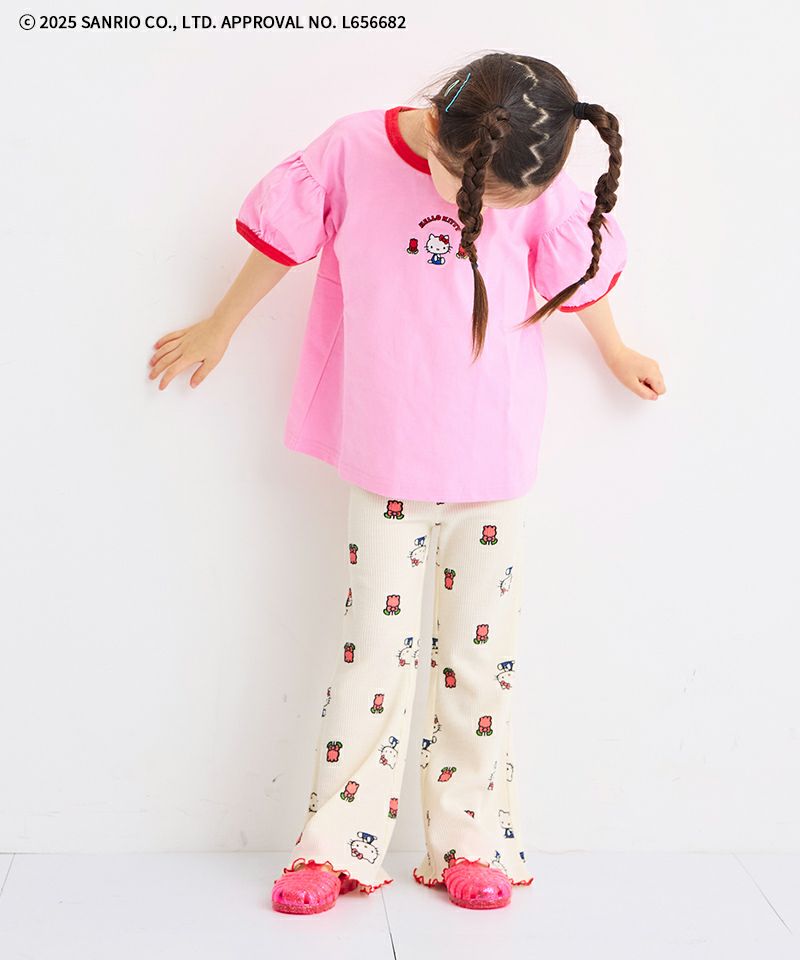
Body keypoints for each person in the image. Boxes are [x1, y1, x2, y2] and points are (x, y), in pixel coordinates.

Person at [148, 51, 665, 914]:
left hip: (490, 464)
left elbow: (571, 274)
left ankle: (471, 840)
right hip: (387, 457)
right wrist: (220, 325)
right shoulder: (353, 150)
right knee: (371, 658)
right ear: (443, 126)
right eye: (471, 189)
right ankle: (335, 846)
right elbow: (280, 243)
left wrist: (614, 349)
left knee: (478, 664)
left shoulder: (533, 173)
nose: (481, 209)